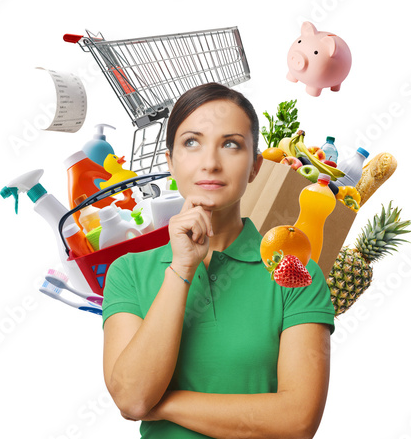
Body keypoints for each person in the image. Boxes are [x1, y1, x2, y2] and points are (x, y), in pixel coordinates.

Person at [102, 82, 336, 438]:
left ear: (256, 167)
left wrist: (161, 403)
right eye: (191, 142)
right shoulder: (129, 272)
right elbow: (132, 399)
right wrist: (180, 269)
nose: (210, 163)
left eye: (231, 144)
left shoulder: (296, 274)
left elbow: (297, 420)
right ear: (170, 161)